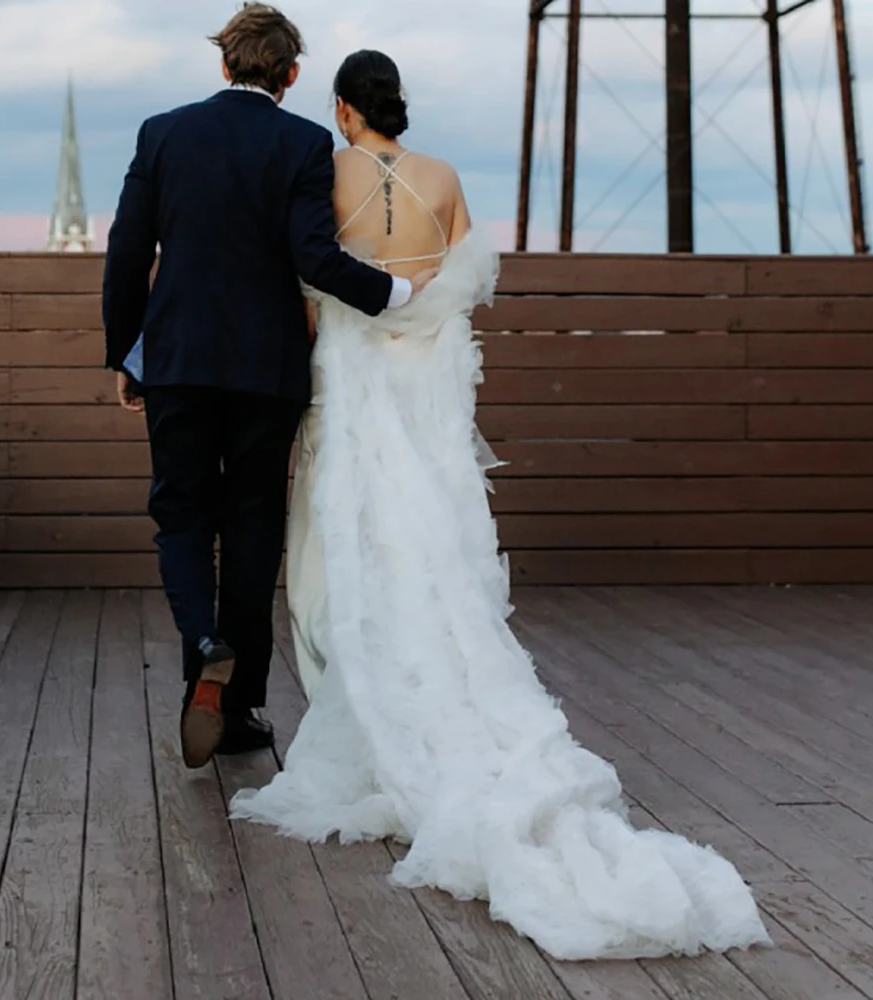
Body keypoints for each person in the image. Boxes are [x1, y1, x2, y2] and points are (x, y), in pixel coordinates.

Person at [229, 50, 772, 962]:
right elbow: (465, 284)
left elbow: (312, 275)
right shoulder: (442, 177)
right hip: (424, 390)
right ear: (394, 105)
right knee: (430, 544)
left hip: (351, 381)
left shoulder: (325, 172)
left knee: (337, 544)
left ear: (342, 110)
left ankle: (348, 700)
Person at [103, 6, 434, 770]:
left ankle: (203, 646)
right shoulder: (303, 142)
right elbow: (313, 256)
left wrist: (127, 352)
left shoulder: (163, 132)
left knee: (181, 514)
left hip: (180, 361)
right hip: (267, 370)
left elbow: (126, 251)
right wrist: (394, 298)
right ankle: (243, 705)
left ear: (225, 65)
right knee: (253, 526)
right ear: (290, 76)